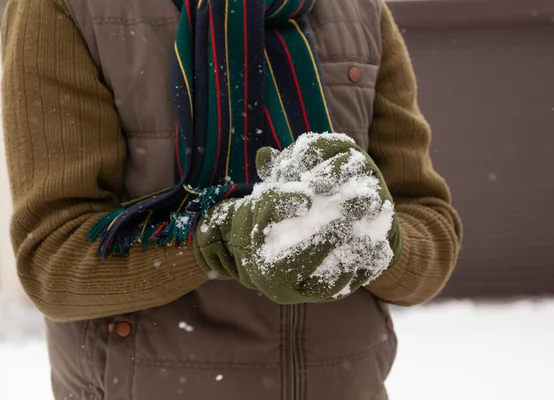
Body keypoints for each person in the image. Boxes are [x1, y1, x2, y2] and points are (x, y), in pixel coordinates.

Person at [1, 0, 462, 398]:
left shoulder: (356, 10)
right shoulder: (66, 9)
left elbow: (430, 231)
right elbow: (53, 262)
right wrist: (215, 241)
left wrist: (375, 235)